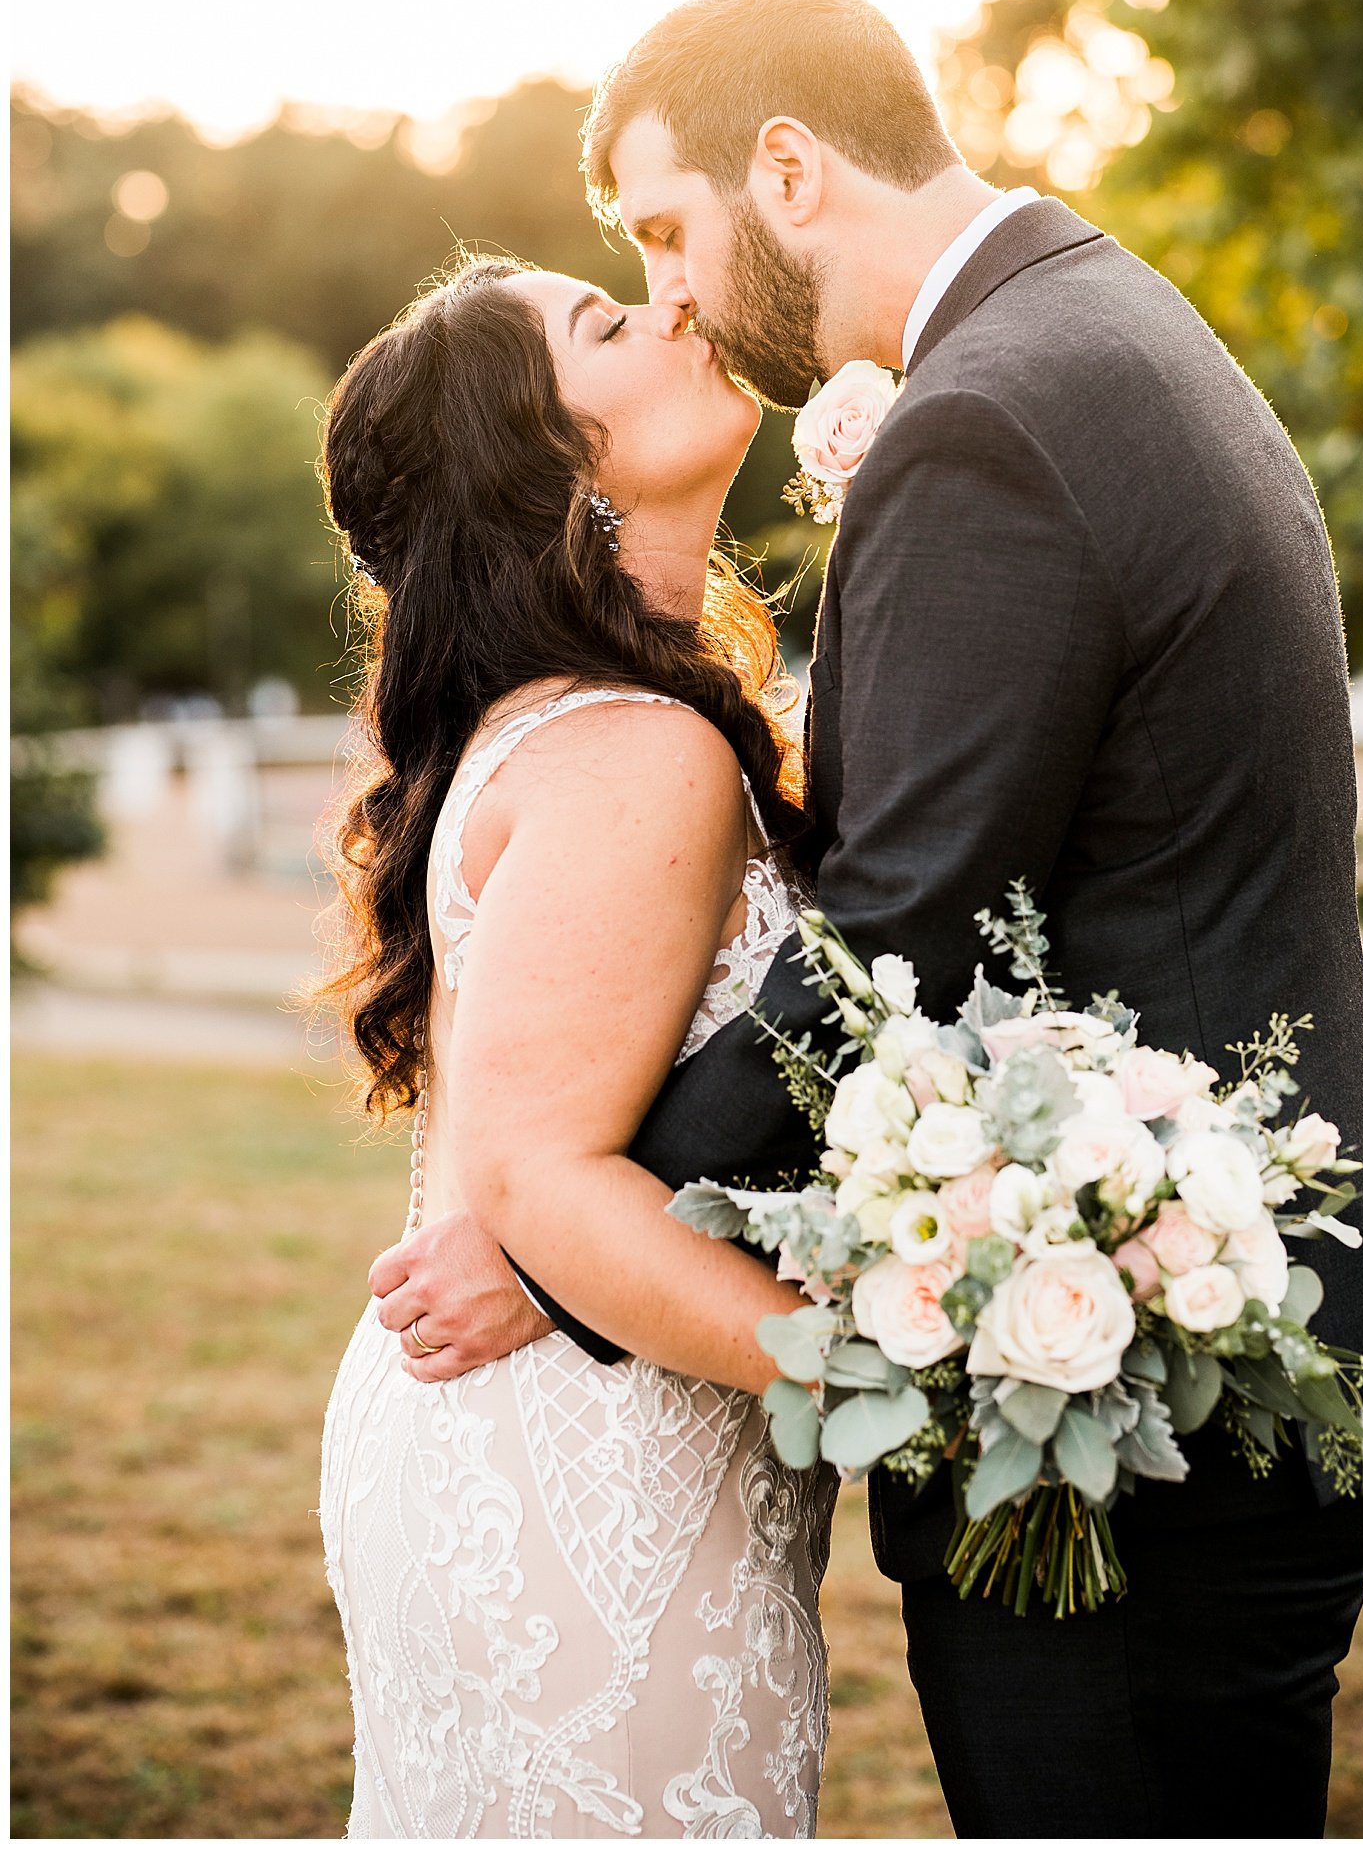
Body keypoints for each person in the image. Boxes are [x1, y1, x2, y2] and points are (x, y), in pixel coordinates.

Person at [381, 0, 1363, 1838]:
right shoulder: (1105, 328)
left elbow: (891, 936)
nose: (678, 297)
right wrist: (559, 1188)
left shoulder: (989, 419)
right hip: (1206, 1353)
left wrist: (560, 1205)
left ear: (787, 168)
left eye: (666, 230)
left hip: (1146, 1431)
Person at [317, 256, 839, 1840]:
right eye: (607, 324)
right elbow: (538, 1180)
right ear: (549, 466)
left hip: (516, 1431)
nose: (677, 307)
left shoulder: (589, 717)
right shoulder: (632, 750)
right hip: (586, 1479)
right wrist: (892, 1372)